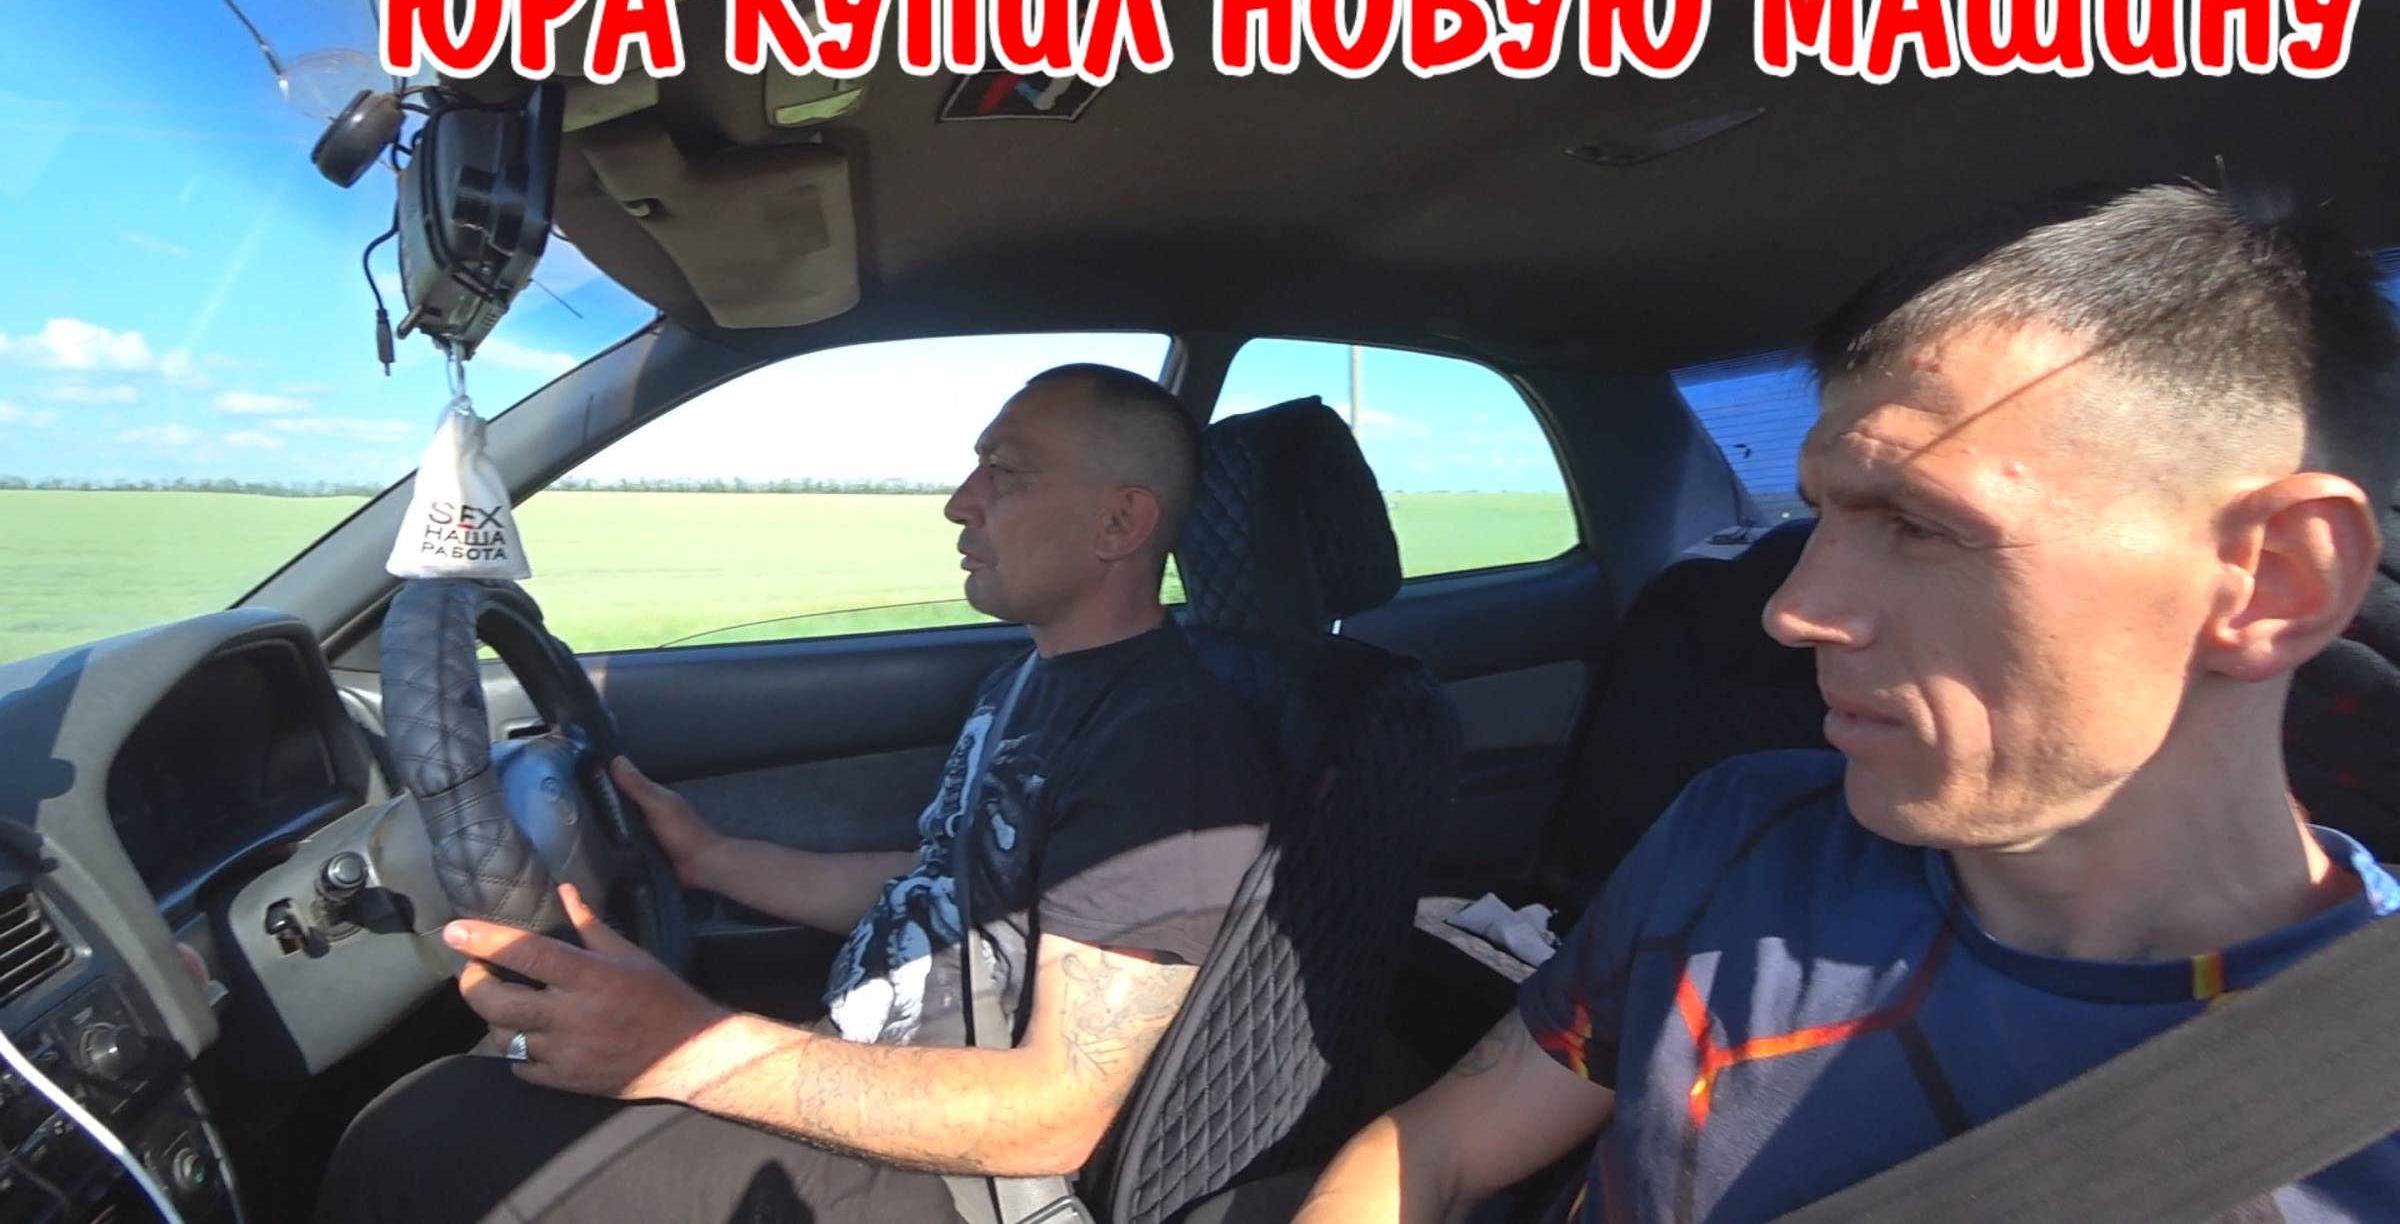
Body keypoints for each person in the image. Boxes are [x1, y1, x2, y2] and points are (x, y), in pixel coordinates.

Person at [1296, 184, 2400, 1222]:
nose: (1794, 612)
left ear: (2272, 583)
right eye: (1818, 516)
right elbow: (1435, 1148)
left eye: (1918, 524)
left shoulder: (2362, 1089)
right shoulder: (1741, 834)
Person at [317, 364, 1273, 1223]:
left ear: (1120, 524)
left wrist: (689, 1046)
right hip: (873, 1060)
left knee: (417, 1140)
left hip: (959, 1183)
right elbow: (952, 888)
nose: (959, 503)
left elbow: (1055, 1114)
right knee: (471, 1095)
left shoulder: (1167, 749)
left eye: (1006, 474)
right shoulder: (1027, 680)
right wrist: (715, 859)